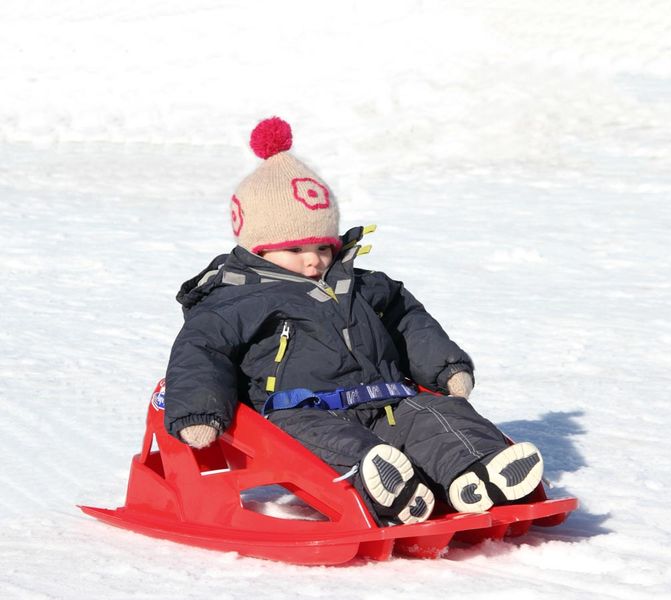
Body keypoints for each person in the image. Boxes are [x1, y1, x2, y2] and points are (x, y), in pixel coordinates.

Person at [164, 117, 544, 526]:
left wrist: (446, 367)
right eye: (293, 249)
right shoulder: (235, 300)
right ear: (258, 249)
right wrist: (199, 413)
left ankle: (478, 473)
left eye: (323, 246)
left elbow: (408, 320)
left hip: (387, 400)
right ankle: (391, 490)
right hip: (298, 412)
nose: (313, 259)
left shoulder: (363, 286)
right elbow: (201, 352)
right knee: (343, 446)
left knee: (440, 416)